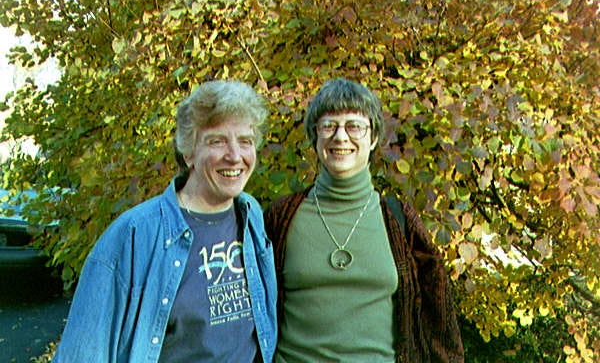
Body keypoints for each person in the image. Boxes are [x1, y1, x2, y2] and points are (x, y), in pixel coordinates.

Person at [53, 80, 277, 363]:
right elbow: (81, 354)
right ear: (189, 152)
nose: (235, 156)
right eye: (217, 141)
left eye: (245, 141)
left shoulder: (251, 217)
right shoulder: (133, 236)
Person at [264, 78, 464, 362]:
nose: (341, 137)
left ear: (372, 139)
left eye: (354, 126)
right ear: (314, 136)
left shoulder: (399, 220)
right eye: (328, 125)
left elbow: (438, 321)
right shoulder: (281, 218)